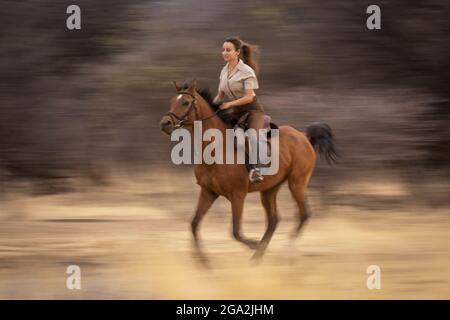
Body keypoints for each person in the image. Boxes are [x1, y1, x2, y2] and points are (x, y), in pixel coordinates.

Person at [213, 36, 267, 183]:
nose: (225, 53)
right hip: (236, 112)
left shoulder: (247, 71)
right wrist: (210, 105)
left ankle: (256, 170)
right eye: (223, 50)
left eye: (228, 50)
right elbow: (220, 95)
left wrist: (229, 105)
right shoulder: (224, 71)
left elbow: (249, 97)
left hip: (252, 111)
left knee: (251, 136)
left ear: (237, 52)